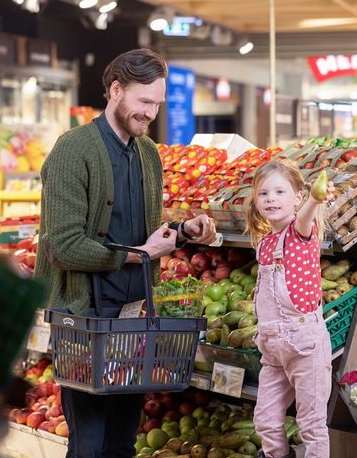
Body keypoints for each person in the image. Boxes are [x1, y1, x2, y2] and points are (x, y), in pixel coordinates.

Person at [34, 48, 217, 458]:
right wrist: (140, 254)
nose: (151, 113)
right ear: (116, 90)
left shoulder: (148, 155)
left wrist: (184, 231)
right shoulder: (72, 150)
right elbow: (63, 247)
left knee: (122, 441)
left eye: (157, 104)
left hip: (136, 316)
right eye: (144, 101)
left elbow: (146, 234)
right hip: (86, 320)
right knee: (89, 444)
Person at [246, 159, 333, 458]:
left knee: (311, 424)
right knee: (266, 421)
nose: (271, 199)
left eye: (280, 192)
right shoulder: (264, 242)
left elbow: (306, 216)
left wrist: (314, 200)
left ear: (297, 198)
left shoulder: (301, 233)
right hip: (272, 347)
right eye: (263, 194)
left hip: (305, 343)